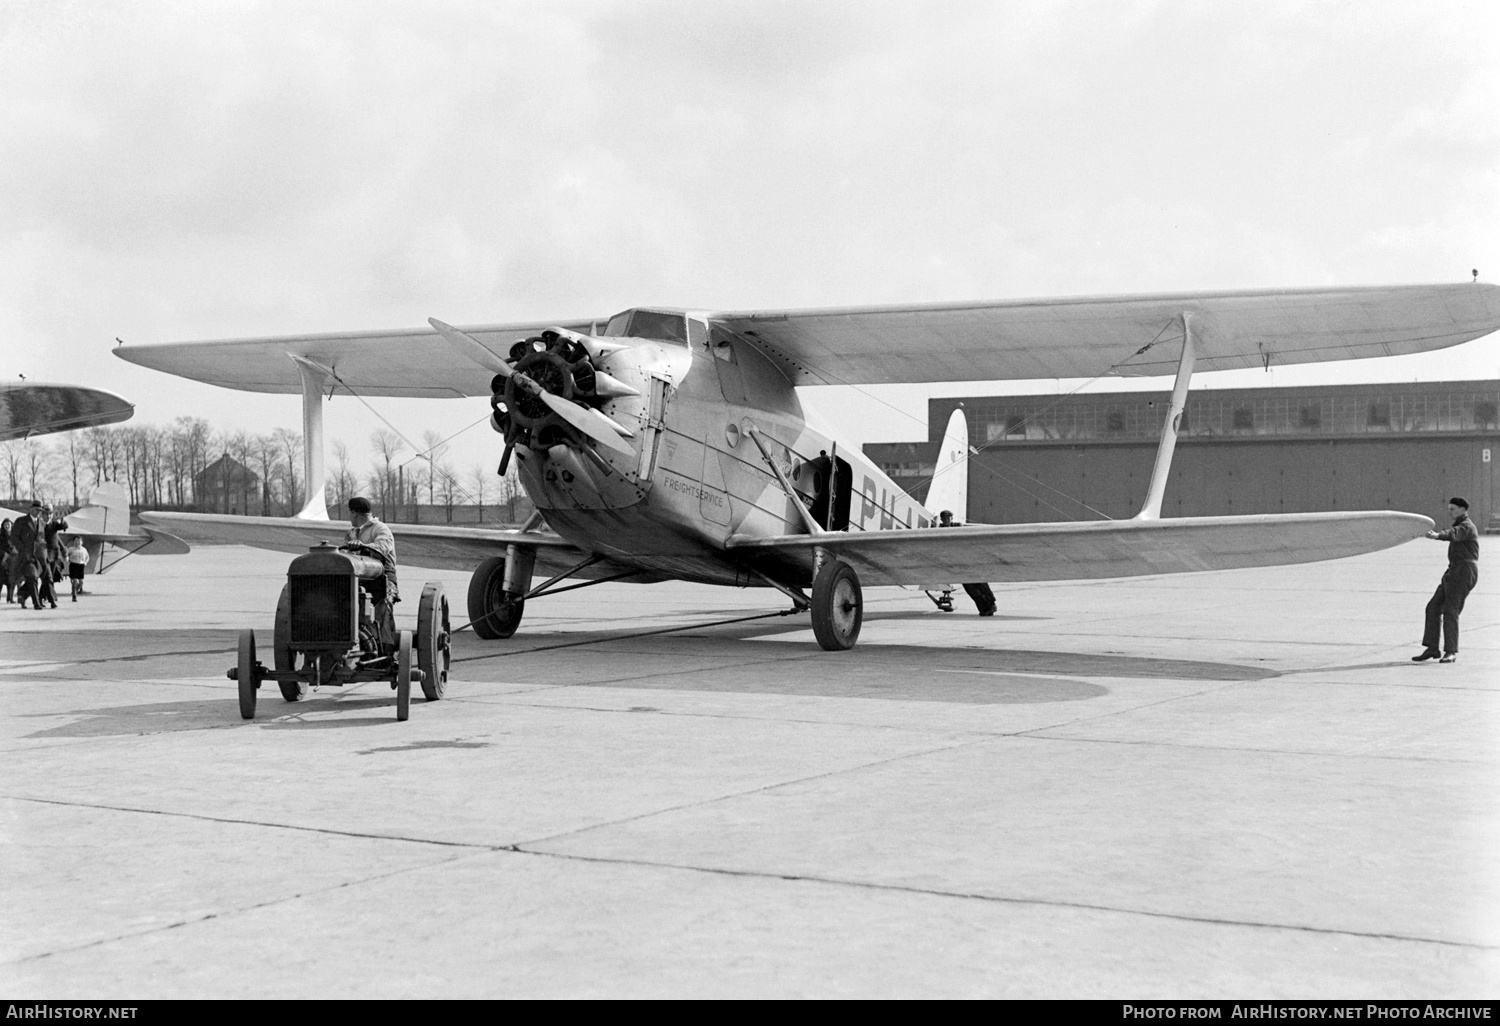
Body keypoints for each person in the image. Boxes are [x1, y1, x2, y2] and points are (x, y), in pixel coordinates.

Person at [1412, 497, 1479, 664]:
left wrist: (1437, 536)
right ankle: (1432, 648)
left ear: (1463, 510)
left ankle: (1451, 651)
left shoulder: (1466, 526)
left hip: (1464, 572)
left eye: (1453, 509)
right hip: (1453, 571)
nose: (1450, 512)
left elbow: (1453, 535)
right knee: (1433, 607)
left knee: (1451, 611)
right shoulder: (1460, 524)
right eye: (1449, 509)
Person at [340, 496, 399, 651]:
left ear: (354, 513)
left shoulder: (380, 529)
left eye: (350, 513)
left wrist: (362, 546)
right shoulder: (351, 534)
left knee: (383, 606)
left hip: (382, 578)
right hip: (358, 579)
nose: (349, 517)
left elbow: (382, 548)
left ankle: (386, 649)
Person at [937, 509, 997, 616]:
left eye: (948, 518)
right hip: (956, 563)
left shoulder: (958, 527)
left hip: (966, 559)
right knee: (970, 588)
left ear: (951, 518)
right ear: (941, 519)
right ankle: (984, 608)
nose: (946, 520)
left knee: (980, 582)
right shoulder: (938, 530)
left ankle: (991, 603)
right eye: (944, 518)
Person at [10, 502, 52, 610]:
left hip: (39, 557)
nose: (38, 512)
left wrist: (44, 553)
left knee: (38, 578)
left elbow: (42, 540)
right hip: (26, 557)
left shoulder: (41, 524)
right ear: (31, 509)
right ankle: (36, 603)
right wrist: (22, 550)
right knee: (32, 577)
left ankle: (22, 594)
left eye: (40, 511)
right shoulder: (21, 521)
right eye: (36, 510)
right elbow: (14, 537)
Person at [66, 536, 88, 601]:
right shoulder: (71, 549)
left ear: (82, 542)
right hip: (73, 565)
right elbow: (67, 555)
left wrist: (85, 563)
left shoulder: (84, 549)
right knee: (74, 581)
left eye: (79, 541)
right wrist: (67, 560)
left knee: (81, 582)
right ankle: (74, 596)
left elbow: (87, 557)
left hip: (81, 565)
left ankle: (76, 589)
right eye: (75, 541)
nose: (77, 542)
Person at [1, 518, 12, 603]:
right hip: (1, 560)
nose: (7, 526)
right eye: (5, 525)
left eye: (8, 524)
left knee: (11, 580)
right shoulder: (1, 536)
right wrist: (4, 555)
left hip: (12, 560)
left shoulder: (14, 536)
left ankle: (10, 598)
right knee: (0, 580)